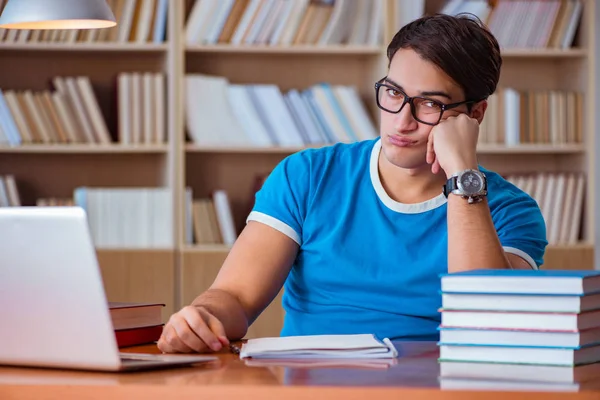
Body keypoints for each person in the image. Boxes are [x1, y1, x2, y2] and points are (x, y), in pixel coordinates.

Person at [157, 13, 547, 354]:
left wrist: (463, 176)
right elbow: (236, 298)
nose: (401, 121)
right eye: (393, 93)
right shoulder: (308, 176)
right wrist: (202, 317)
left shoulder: (509, 210)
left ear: (474, 114)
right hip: (311, 386)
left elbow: (487, 325)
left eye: (430, 103)